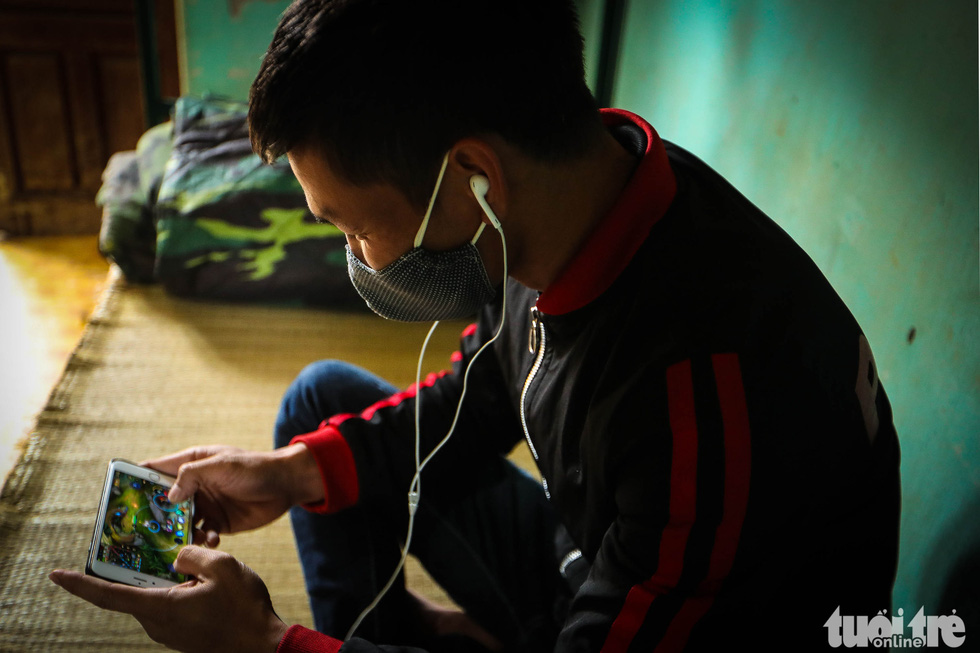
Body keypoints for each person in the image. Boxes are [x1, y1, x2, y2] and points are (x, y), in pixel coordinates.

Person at [49, 0, 901, 651]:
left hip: (659, 613)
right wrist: (289, 474)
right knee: (319, 411)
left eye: (352, 226)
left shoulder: (700, 403)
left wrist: (269, 642)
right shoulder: (584, 195)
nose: (355, 256)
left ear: (473, 175)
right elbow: (488, 385)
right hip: (589, 551)